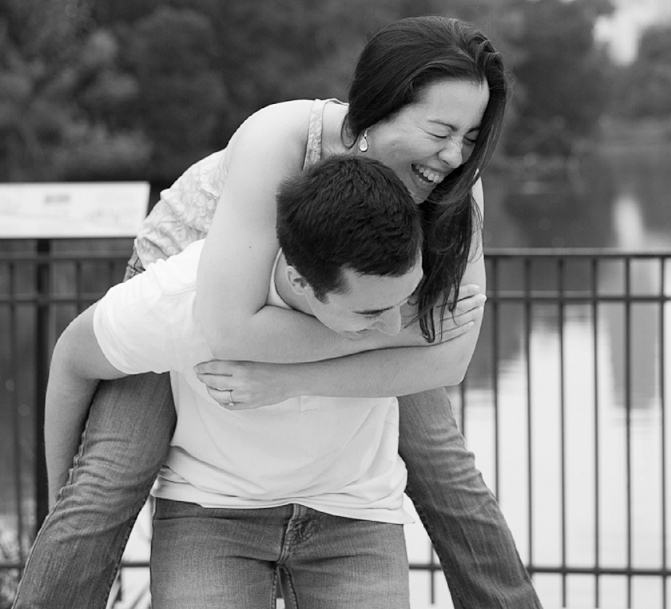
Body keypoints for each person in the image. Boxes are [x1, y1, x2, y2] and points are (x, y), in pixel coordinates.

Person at [14, 15, 542, 609]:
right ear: (376, 108)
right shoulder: (282, 137)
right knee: (112, 479)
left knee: (450, 479)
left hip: (361, 295)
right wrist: (394, 332)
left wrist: (299, 373)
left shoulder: (453, 184)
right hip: (203, 287)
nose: (455, 155)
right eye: (442, 129)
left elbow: (448, 360)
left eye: (472, 137)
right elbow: (230, 326)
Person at [43, 156, 467, 608]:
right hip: (212, 514)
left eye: (403, 300)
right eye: (369, 314)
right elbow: (72, 357)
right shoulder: (186, 298)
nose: (393, 327)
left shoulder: (415, 292)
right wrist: (60, 505)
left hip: (355, 513)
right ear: (302, 283)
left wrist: (285, 378)